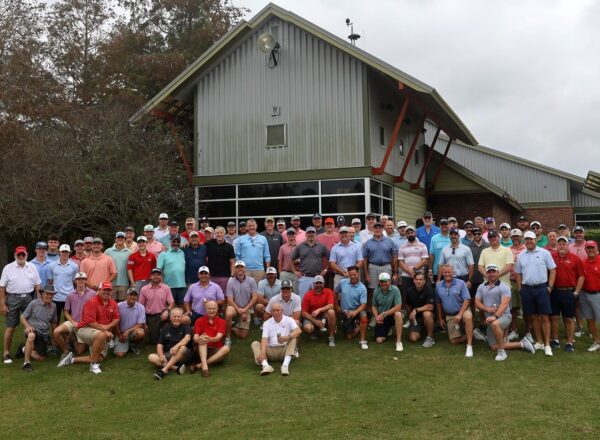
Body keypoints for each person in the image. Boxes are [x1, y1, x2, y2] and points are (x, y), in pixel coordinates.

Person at [474, 264, 535, 361]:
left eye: (494, 272)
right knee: (493, 346)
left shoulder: (504, 287)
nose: (491, 274)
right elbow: (477, 302)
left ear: (498, 273)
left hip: (504, 317)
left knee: (495, 324)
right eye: (489, 272)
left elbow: (505, 303)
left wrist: (494, 316)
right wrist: (487, 309)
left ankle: (502, 352)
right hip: (490, 319)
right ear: (486, 274)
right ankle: (522, 344)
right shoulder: (481, 287)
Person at [58, 281, 120, 374]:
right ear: (99, 290)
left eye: (109, 290)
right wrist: (105, 331)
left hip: (100, 331)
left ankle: (71, 360)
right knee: (101, 335)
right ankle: (93, 365)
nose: (107, 292)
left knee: (100, 358)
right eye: (104, 290)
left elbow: (116, 318)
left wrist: (107, 326)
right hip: (85, 328)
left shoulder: (113, 303)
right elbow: (91, 323)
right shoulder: (92, 302)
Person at [514, 231, 557, 356]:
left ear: (535, 240)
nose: (529, 241)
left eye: (531, 239)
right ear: (524, 241)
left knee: (544, 316)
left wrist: (550, 286)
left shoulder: (544, 253)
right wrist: (520, 287)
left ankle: (547, 345)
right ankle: (539, 342)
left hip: (541, 288)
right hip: (526, 289)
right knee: (533, 317)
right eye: (526, 239)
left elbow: (553, 270)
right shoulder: (521, 255)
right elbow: (518, 273)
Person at [0, 246, 41, 364]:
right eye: (19, 255)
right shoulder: (8, 268)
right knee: (11, 327)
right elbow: (2, 287)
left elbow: (37, 285)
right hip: (12, 299)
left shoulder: (32, 267)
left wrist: (39, 301)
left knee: (31, 325)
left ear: (26, 255)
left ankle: (30, 349)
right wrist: (2, 304)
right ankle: (6, 353)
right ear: (15, 255)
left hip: (28, 298)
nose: (21, 257)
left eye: (23, 254)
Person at [549, 236, 584, 352]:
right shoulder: (551, 257)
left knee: (569, 318)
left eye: (564, 243)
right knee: (554, 317)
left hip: (569, 291)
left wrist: (577, 291)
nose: (562, 245)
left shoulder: (575, 258)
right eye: (559, 244)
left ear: (568, 245)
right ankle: (556, 340)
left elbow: (581, 276)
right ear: (557, 245)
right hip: (554, 291)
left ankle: (569, 342)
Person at [53, 272, 96, 362]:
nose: (81, 281)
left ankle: (72, 340)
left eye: (83, 279)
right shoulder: (70, 295)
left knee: (79, 351)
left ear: (85, 281)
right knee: (56, 332)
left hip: (86, 324)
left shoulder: (93, 294)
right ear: (75, 281)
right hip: (73, 322)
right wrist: (72, 322)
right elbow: (66, 311)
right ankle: (66, 351)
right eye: (79, 279)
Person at [251, 302, 302, 376]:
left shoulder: (289, 320)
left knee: (293, 339)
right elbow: (264, 338)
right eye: (273, 311)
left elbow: (298, 331)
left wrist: (288, 337)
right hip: (270, 351)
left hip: (284, 350)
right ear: (271, 312)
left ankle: (285, 366)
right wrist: (263, 352)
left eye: (278, 310)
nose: (276, 312)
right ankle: (266, 366)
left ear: (282, 311)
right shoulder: (267, 323)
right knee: (255, 343)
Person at [16, 285, 58, 372]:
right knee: (31, 336)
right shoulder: (33, 303)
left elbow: (53, 323)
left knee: (41, 358)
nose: (49, 296)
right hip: (33, 330)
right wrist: (28, 326)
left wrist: (54, 337)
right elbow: (22, 317)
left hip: (44, 334)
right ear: (42, 294)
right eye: (47, 294)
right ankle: (26, 363)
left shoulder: (54, 306)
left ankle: (23, 349)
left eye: (51, 294)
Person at [436, 265, 474, 357]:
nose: (447, 274)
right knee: (453, 341)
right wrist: (440, 318)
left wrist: (460, 314)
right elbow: (438, 303)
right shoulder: (438, 285)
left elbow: (467, 299)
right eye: (445, 272)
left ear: (453, 273)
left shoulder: (461, 283)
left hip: (462, 311)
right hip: (450, 315)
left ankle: (469, 346)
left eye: (449, 272)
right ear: (442, 273)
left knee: (468, 316)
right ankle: (472, 334)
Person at [148, 307, 192, 380]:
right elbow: (159, 345)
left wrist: (176, 347)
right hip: (169, 354)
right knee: (151, 357)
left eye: (179, 316)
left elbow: (187, 339)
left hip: (183, 355)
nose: (176, 318)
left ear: (182, 318)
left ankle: (164, 370)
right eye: (174, 316)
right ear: (170, 318)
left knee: (182, 347)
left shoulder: (186, 327)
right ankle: (176, 368)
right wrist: (161, 356)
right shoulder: (165, 329)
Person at [191, 300, 230, 377]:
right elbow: (195, 337)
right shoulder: (199, 321)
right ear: (205, 309)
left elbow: (218, 338)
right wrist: (201, 339)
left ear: (217, 309)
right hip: (200, 350)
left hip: (215, 351)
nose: (211, 310)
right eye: (209, 308)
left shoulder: (222, 322)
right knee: (202, 340)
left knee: (226, 349)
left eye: (213, 308)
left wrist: (208, 338)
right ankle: (205, 368)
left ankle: (198, 366)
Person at [362, 222, 397, 306]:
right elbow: (365, 259)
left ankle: (387, 309)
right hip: (372, 267)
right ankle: (372, 310)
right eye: (376, 228)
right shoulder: (368, 243)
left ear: (382, 229)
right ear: (373, 229)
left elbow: (394, 256)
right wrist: (366, 274)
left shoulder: (389, 241)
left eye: (380, 228)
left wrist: (395, 271)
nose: (378, 230)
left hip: (386, 266)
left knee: (387, 288)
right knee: (372, 289)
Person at [225, 261, 258, 345]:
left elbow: (254, 297)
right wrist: (239, 309)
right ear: (235, 270)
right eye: (237, 267)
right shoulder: (230, 281)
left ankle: (233, 328)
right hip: (234, 307)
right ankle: (227, 337)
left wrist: (244, 310)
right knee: (228, 313)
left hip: (246, 307)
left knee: (243, 335)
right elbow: (229, 300)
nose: (239, 269)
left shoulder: (251, 280)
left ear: (245, 269)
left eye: (241, 267)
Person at [335, 266, 368, 349]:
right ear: (348, 274)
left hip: (356, 311)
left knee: (363, 316)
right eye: (351, 275)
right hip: (345, 312)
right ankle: (358, 327)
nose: (353, 277)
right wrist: (336, 306)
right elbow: (335, 292)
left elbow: (363, 305)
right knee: (349, 337)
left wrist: (355, 312)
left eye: (355, 274)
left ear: (358, 274)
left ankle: (362, 340)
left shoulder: (362, 288)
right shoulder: (342, 282)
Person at [291, 227, 329, 298]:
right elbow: (291, 259)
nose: (311, 234)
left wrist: (325, 270)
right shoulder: (300, 246)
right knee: (302, 299)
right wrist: (294, 271)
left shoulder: (321, 246)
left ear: (315, 234)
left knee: (318, 300)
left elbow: (330, 259)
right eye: (309, 233)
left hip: (318, 278)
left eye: (312, 233)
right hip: (304, 277)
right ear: (306, 234)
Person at [139, 268, 175, 344]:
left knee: (175, 317)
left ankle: (171, 335)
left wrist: (167, 311)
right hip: (151, 316)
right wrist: (144, 323)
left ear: (161, 277)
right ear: (150, 277)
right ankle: (161, 334)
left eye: (158, 275)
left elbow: (171, 303)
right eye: (154, 275)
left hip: (163, 313)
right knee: (154, 341)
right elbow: (141, 307)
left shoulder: (166, 288)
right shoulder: (144, 289)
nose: (156, 277)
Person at [371, 272, 403, 352]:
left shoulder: (395, 290)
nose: (383, 283)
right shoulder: (376, 290)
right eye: (381, 281)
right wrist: (376, 317)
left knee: (398, 314)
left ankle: (398, 341)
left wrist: (384, 314)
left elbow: (398, 307)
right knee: (379, 340)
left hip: (392, 315)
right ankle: (387, 330)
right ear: (379, 282)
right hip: (381, 318)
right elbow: (374, 306)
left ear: (390, 281)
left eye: (386, 281)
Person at [301, 275, 336, 347]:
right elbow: (303, 312)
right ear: (313, 284)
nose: (318, 285)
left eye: (320, 283)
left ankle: (331, 337)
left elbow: (331, 305)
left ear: (323, 284)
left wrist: (319, 310)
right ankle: (315, 331)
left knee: (331, 312)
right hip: (312, 317)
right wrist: (314, 321)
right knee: (308, 328)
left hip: (324, 316)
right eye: (317, 283)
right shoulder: (308, 294)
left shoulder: (329, 291)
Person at [47, 244, 79, 321]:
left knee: (69, 321)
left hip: (69, 297)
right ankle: (55, 333)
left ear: (69, 253)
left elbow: (74, 281)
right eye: (63, 252)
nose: (64, 254)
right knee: (55, 320)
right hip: (56, 297)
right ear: (59, 252)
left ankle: (69, 333)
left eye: (66, 252)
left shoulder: (74, 266)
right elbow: (50, 281)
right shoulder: (51, 265)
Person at [235, 218, 270, 285]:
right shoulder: (241, 239)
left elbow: (267, 256)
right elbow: (237, 256)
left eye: (253, 225)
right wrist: (239, 270)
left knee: (258, 292)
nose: (251, 227)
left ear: (256, 226)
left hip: (259, 270)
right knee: (245, 292)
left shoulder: (263, 239)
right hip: (245, 270)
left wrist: (267, 270)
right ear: (246, 227)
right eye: (249, 226)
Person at [405, 272, 436, 347]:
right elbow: (408, 306)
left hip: (429, 315)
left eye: (421, 279)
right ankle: (424, 330)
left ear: (424, 281)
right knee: (413, 338)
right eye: (417, 279)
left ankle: (430, 338)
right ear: (413, 280)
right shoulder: (409, 291)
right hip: (416, 318)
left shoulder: (430, 290)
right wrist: (410, 317)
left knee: (427, 314)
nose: (418, 281)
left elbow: (430, 307)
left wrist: (416, 310)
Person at [114, 288, 146, 357]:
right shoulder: (118, 306)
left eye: (135, 295)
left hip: (133, 332)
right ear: (126, 296)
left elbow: (140, 324)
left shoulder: (141, 307)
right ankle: (128, 346)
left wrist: (128, 331)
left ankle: (134, 345)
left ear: (137, 297)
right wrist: (119, 335)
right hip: (121, 333)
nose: (133, 297)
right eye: (130, 295)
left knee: (141, 332)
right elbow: (115, 322)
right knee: (119, 355)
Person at [329, 226, 363, 291]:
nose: (344, 235)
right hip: (339, 276)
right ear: (339, 235)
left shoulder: (356, 247)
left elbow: (360, 262)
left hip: (353, 277)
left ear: (349, 234)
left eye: (346, 233)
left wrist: (352, 272)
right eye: (342, 233)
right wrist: (343, 273)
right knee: (338, 297)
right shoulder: (335, 248)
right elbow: (332, 264)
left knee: (354, 296)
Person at [581, 240, 600, 352]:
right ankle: (596, 341)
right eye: (588, 248)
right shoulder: (583, 262)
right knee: (590, 319)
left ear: (596, 248)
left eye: (592, 248)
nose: (590, 250)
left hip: (598, 294)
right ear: (585, 249)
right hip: (584, 294)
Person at [397, 225, 429, 294]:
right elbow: (400, 262)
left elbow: (424, 260)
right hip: (406, 275)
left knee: (420, 294)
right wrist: (408, 271)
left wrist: (413, 269)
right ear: (406, 235)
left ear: (415, 233)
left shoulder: (423, 245)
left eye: (412, 232)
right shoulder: (402, 247)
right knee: (406, 295)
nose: (410, 234)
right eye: (408, 233)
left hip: (419, 275)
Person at [156, 235, 187, 306]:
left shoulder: (182, 253)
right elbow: (158, 270)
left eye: (178, 241)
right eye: (174, 241)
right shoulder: (163, 254)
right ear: (170, 241)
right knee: (169, 307)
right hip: (168, 286)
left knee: (182, 307)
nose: (175, 243)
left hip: (182, 285)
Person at [508, 229, 526, 341]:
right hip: (511, 281)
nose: (515, 238)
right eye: (513, 236)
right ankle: (514, 330)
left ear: (521, 237)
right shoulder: (507, 250)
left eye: (517, 236)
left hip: (524, 282)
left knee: (527, 308)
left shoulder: (526, 249)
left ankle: (529, 331)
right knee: (513, 308)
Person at [205, 226, 235, 293]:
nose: (219, 234)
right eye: (217, 233)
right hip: (211, 276)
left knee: (224, 296)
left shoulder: (229, 247)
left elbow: (232, 262)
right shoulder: (209, 243)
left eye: (221, 233)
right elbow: (199, 245)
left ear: (224, 234)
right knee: (211, 295)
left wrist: (232, 276)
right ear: (215, 234)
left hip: (224, 277)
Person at [105, 232, 132, 301]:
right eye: (118, 238)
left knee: (123, 305)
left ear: (125, 240)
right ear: (115, 240)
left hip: (124, 283)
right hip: (111, 283)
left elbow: (131, 268)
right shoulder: (108, 251)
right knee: (110, 305)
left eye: (122, 238)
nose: (120, 239)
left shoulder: (129, 252)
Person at [278, 228, 299, 295]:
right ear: (287, 235)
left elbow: (303, 259)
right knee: (283, 294)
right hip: (285, 273)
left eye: (292, 233)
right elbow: (280, 261)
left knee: (296, 294)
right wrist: (280, 273)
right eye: (289, 234)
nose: (291, 235)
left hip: (296, 273)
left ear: (295, 235)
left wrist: (298, 260)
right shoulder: (282, 247)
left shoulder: (300, 246)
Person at [429, 218, 451, 283]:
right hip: (437, 271)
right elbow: (431, 255)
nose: (444, 226)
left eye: (446, 224)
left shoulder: (454, 237)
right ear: (439, 226)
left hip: (451, 271)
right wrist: (430, 270)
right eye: (442, 224)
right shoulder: (434, 238)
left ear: (449, 225)